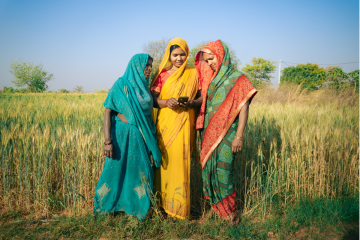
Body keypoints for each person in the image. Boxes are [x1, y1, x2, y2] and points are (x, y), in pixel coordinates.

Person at [195, 40, 257, 225]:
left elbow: (243, 108)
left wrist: (239, 136)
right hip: (208, 135)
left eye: (212, 58)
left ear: (221, 55)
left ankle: (230, 213)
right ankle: (216, 210)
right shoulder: (209, 80)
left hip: (229, 134)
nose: (210, 63)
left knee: (224, 171)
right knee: (210, 171)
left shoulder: (238, 78)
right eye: (207, 60)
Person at [93, 53, 162, 221]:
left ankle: (138, 207)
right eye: (146, 66)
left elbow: (150, 111)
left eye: (151, 66)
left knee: (140, 172)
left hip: (141, 139)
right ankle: (106, 205)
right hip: (121, 138)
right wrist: (107, 141)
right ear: (135, 66)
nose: (149, 69)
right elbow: (108, 112)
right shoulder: (121, 85)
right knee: (115, 171)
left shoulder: (145, 89)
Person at [150, 38, 202, 219]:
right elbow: (152, 100)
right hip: (165, 123)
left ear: (187, 54)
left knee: (181, 162)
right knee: (164, 163)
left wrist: (192, 103)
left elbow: (204, 97)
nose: (179, 58)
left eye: (182, 54)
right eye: (175, 55)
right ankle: (161, 205)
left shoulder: (194, 73)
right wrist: (166, 102)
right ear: (169, 55)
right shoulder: (162, 74)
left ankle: (179, 207)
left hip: (185, 122)